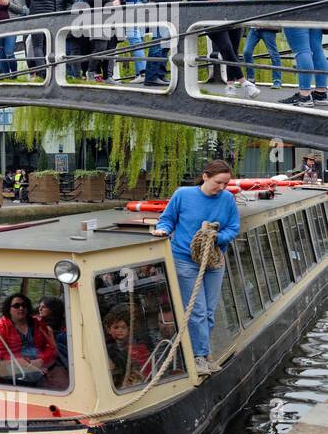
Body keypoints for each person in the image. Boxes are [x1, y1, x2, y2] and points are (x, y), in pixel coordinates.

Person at [151, 159, 241, 372]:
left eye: (226, 184)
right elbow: (167, 219)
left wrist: (216, 237)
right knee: (197, 311)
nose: (221, 188)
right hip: (185, 260)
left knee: (209, 311)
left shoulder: (227, 199)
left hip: (214, 262)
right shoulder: (183, 194)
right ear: (205, 177)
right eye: (218, 182)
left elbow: (233, 228)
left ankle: (203, 351)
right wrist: (162, 230)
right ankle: (198, 356)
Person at [183, 0, 250, 96]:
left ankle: (230, 84)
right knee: (225, 47)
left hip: (231, 13)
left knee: (233, 48)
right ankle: (244, 81)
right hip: (210, 16)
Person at [141, 0, 187, 87]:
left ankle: (159, 75)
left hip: (167, 9)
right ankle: (152, 76)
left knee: (165, 43)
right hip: (160, 9)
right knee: (159, 42)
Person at [0, 293, 59, 380]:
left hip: (40, 361)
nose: (21, 308)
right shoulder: (1, 327)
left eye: (24, 305)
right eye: (16, 306)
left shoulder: (37, 323)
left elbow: (50, 346)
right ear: (8, 309)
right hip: (15, 365)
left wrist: (42, 360)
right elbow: (2, 353)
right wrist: (27, 364)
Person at [81, 0, 125, 81]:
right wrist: (109, 1)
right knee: (100, 47)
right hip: (99, 19)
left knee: (111, 48)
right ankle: (91, 73)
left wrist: (119, 1)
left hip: (115, 18)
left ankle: (108, 77)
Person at [243, 0, 283, 90]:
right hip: (254, 27)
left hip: (267, 27)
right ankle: (251, 79)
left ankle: (277, 80)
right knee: (246, 52)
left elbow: (275, 6)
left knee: (273, 53)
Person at [23, 0, 58, 72]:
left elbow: (27, 2)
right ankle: (50, 71)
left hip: (36, 17)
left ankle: (42, 72)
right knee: (46, 45)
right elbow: (55, 1)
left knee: (37, 45)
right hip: (50, 17)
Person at [103, 304, 151, 386]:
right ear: (108, 330)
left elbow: (146, 371)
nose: (120, 330)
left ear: (129, 329)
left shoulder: (139, 348)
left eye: (123, 327)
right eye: (116, 327)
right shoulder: (108, 350)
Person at [116, 0, 148, 81]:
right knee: (140, 40)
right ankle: (139, 74)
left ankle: (142, 73)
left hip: (130, 11)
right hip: (144, 10)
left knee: (134, 40)